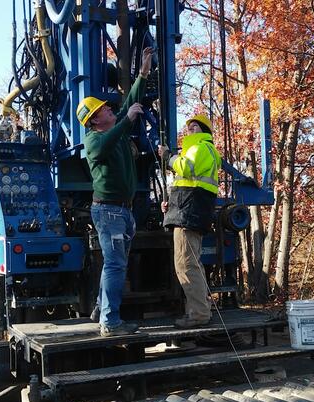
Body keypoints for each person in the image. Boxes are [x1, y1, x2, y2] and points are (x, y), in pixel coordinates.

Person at [76, 47, 153, 337]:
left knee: (115, 264)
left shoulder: (113, 129)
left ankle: (101, 308)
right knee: (116, 265)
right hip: (109, 211)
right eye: (104, 109)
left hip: (123, 210)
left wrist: (143, 74)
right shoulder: (94, 141)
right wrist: (128, 119)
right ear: (95, 120)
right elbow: (120, 126)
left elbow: (130, 104)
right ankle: (110, 322)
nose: (110, 108)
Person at [158, 114, 221, 328]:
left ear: (204, 131)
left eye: (194, 126)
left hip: (189, 214)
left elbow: (185, 168)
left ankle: (198, 315)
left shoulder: (200, 147)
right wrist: (170, 206)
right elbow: (187, 184)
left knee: (186, 265)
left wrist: (168, 156)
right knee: (192, 264)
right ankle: (201, 310)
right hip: (189, 211)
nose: (189, 130)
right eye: (189, 127)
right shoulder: (200, 150)